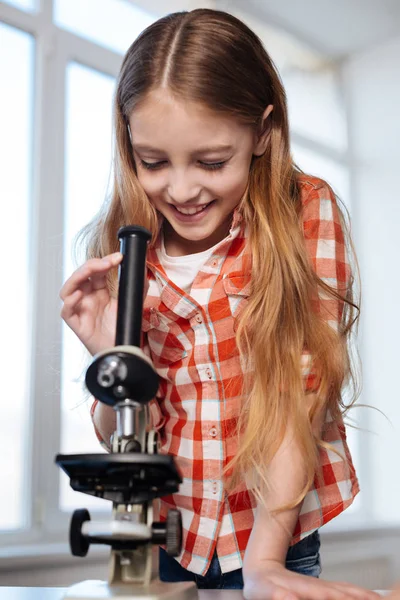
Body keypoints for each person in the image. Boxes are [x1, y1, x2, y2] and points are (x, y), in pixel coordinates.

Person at [59, 8, 380, 600]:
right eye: (153, 162)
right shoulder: (125, 245)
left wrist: (264, 564)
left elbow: (295, 391)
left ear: (263, 131)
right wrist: (110, 362)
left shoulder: (302, 214)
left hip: (271, 532)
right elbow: (127, 438)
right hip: (170, 537)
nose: (180, 190)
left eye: (211, 162)